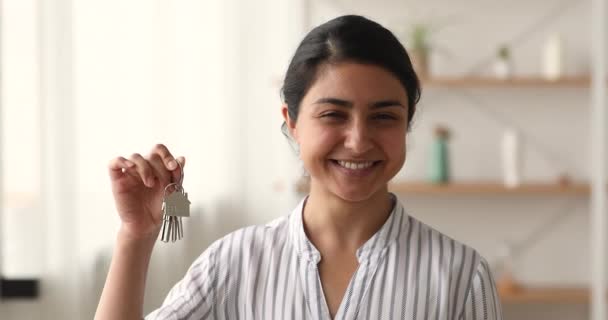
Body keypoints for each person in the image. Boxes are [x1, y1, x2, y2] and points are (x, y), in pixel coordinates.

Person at [95, 15, 502, 320]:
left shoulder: (460, 276)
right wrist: (136, 235)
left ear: (408, 122)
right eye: (333, 115)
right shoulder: (234, 263)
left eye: (384, 116)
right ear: (292, 121)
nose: (358, 140)